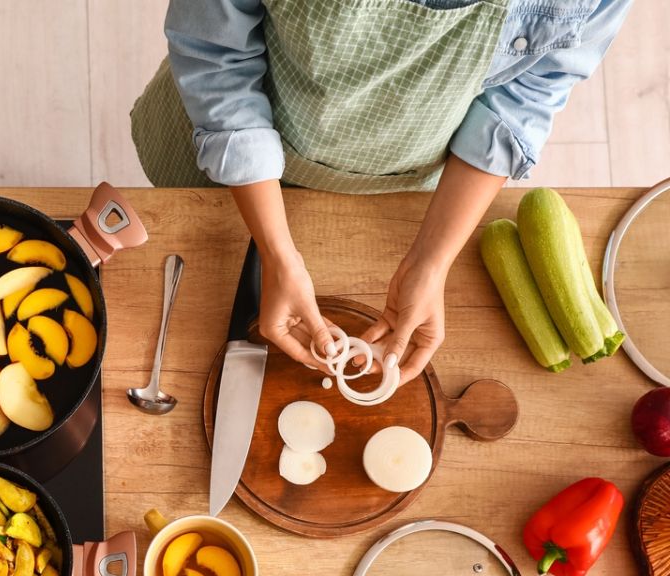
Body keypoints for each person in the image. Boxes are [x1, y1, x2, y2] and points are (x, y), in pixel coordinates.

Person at [131, 0, 632, 383]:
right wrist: (279, 254)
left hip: (414, 188)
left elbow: (527, 95)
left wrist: (429, 265)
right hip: (237, 158)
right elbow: (218, 59)